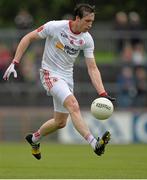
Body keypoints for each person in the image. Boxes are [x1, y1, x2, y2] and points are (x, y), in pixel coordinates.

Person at [3, 3, 115, 160]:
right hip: (50, 74)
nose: (90, 25)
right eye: (87, 21)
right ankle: (94, 144)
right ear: (77, 18)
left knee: (60, 122)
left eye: (92, 22)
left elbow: (92, 68)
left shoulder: (87, 39)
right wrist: (15, 62)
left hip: (67, 78)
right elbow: (28, 37)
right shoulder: (55, 27)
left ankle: (34, 139)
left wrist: (103, 93)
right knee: (73, 105)